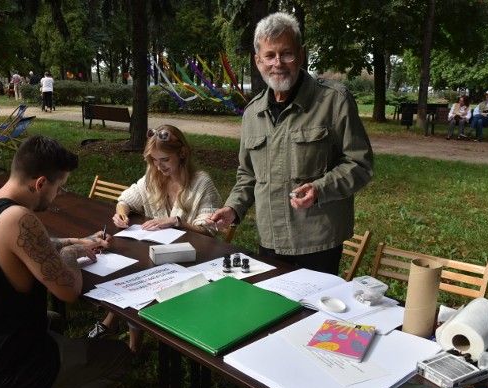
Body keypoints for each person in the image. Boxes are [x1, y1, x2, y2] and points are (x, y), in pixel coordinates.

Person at [0, 135, 132, 388]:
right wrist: (68, 255)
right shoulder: (19, 218)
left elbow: (22, 244)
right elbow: (69, 290)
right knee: (120, 355)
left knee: (53, 319)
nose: (59, 194)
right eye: (59, 187)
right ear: (40, 183)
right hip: (0, 377)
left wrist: (75, 240)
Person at [209, 12, 374, 277]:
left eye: (286, 54)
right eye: (269, 56)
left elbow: (359, 164)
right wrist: (233, 207)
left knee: (312, 316)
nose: (278, 63)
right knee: (274, 309)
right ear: (258, 61)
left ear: (301, 54)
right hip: (270, 238)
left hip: (317, 240)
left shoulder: (334, 101)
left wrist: (320, 189)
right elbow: (248, 173)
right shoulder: (253, 113)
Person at [88, 125, 222, 354]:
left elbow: (210, 231)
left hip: (190, 261)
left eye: (164, 159)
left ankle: (121, 332)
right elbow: (127, 198)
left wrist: (176, 222)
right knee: (136, 270)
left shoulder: (201, 183)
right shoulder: (154, 176)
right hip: (156, 254)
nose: (159, 166)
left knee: (138, 274)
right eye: (153, 160)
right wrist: (122, 213)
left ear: (182, 153)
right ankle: (124, 334)